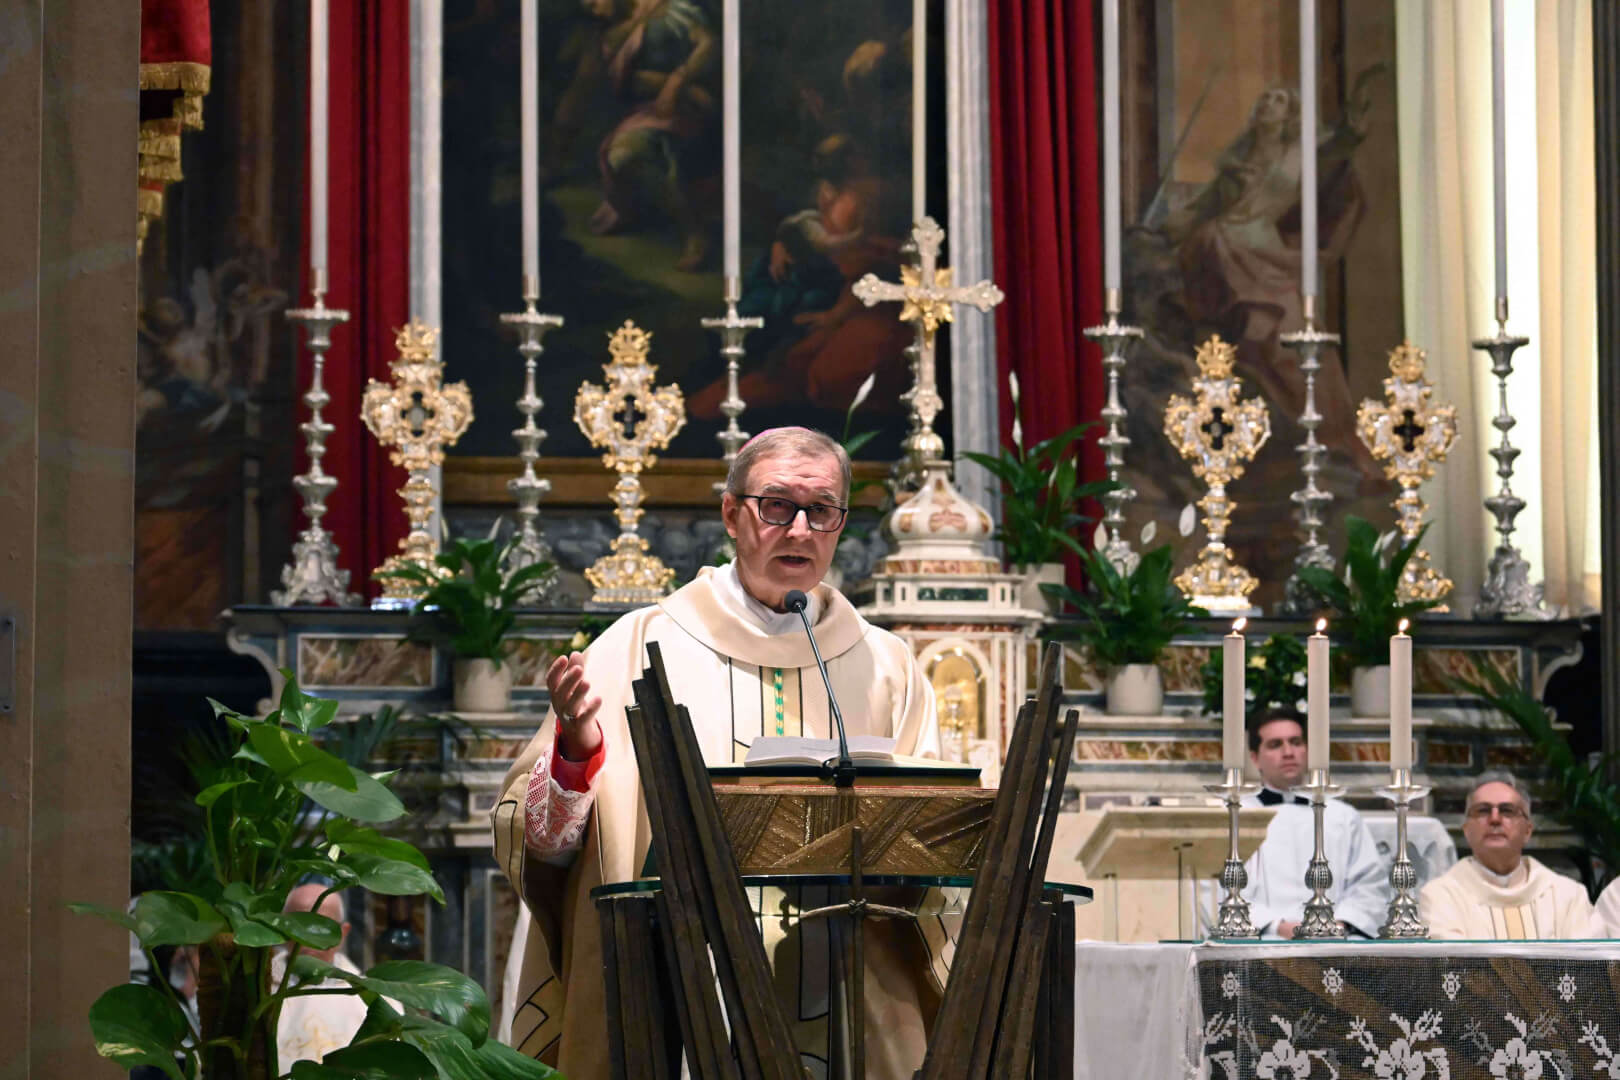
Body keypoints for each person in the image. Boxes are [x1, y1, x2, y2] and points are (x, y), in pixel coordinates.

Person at [493, 427, 940, 1079]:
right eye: (777, 505)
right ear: (732, 514)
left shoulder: (887, 666)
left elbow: (933, 834)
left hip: (848, 986)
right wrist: (575, 755)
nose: (800, 530)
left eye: (821, 510)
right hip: (680, 990)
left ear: (841, 524)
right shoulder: (637, 648)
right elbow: (541, 844)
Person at [1238, 710, 1388, 938]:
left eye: (1296, 742)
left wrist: (1342, 922)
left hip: (1336, 942)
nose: (1288, 753)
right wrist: (1276, 926)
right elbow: (1222, 891)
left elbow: (1369, 884)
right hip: (1264, 941)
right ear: (1255, 758)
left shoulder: (1343, 817)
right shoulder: (1237, 817)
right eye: (1275, 745)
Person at [1419, 772, 1593, 939]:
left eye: (1507, 810)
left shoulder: (1568, 896)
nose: (1495, 819)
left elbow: (1585, 958)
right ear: (1466, 830)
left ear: (1527, 831)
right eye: (1483, 810)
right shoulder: (1441, 897)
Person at [272, 883, 366, 1066]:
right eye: (299, 924)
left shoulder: (370, 996)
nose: (309, 936)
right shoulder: (258, 991)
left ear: (343, 932)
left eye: (321, 926)